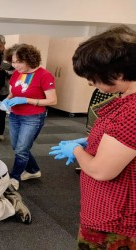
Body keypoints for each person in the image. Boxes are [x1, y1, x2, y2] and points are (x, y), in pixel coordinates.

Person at [49, 25, 136, 249]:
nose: (90, 83)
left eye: (92, 76)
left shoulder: (131, 111)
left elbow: (101, 171)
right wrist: (91, 143)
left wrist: (77, 151)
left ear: (117, 73)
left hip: (115, 218)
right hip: (110, 207)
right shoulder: (125, 100)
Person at [2, 43, 57, 191]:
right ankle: (33, 170)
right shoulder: (16, 73)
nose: (15, 65)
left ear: (30, 59)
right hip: (15, 115)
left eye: (19, 61)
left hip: (33, 117)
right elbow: (14, 91)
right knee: (17, 146)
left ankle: (15, 177)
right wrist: (7, 99)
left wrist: (26, 100)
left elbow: (52, 100)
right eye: (13, 61)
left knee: (21, 149)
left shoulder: (44, 75)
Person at [0, 34, 14, 141]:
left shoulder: (8, 55)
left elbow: (11, 67)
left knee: (1, 111)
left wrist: (0, 66)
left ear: (3, 44)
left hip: (3, 87)